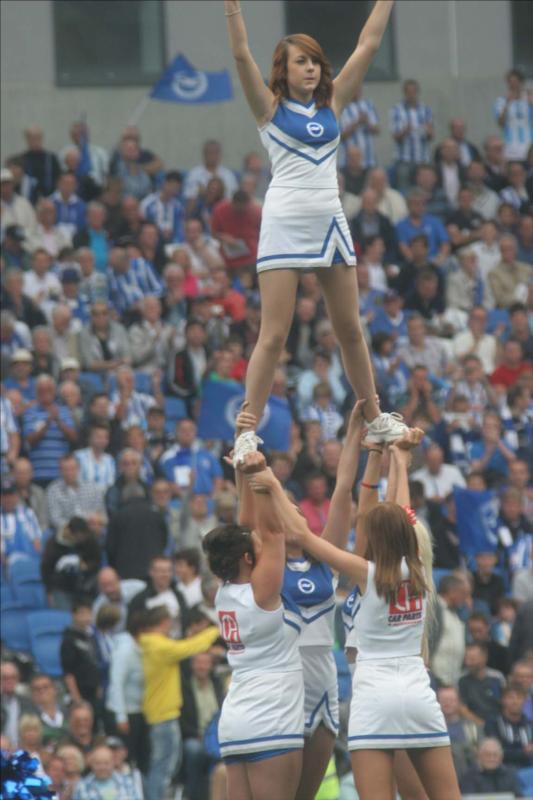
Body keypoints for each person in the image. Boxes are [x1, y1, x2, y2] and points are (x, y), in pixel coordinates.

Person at [224, 0, 408, 467]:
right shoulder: (268, 108)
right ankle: (246, 432)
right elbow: (242, 55)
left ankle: (375, 415)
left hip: (329, 219)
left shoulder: (333, 102)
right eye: (299, 61)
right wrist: (233, 11)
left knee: (349, 327)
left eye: (313, 60)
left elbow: (368, 43)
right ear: (282, 71)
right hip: (285, 221)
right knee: (274, 334)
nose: (309, 67)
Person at [249, 432, 460, 800]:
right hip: (418, 692)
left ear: (373, 538)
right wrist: (398, 459)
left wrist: (270, 484)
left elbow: (302, 533)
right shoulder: (421, 569)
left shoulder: (367, 572)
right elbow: (402, 517)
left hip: (375, 693)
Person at [203, 449, 305, 800]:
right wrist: (261, 474)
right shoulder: (262, 593)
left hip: (235, 718)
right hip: (271, 715)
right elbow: (274, 532)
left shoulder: (224, 592)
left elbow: (247, 530)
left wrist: (242, 473)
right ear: (248, 558)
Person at [138, 605, 219, 800]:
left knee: (164, 766)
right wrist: (216, 630)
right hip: (163, 715)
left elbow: (183, 645)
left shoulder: (154, 643)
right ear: (164, 622)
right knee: (163, 768)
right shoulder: (159, 645)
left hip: (162, 714)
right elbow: (189, 648)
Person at [72, 744, 141, 800]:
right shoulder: (82, 787)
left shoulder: (128, 783)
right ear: (91, 764)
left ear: (113, 763)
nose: (102, 767)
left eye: (106, 763)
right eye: (98, 763)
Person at [460, 737, 524, 797]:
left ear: (501, 758)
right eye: (487, 755)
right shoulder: (469, 776)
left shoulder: (509, 774)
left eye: (495, 755)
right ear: (479, 756)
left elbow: (518, 797)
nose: (491, 758)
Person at [494, 68, 533, 161]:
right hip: (511, 145)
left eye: (516, 82)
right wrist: (507, 104)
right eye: (510, 82)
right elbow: (501, 123)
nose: (513, 85)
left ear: (521, 82)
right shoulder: (501, 101)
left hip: (529, 143)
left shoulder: (529, 98)